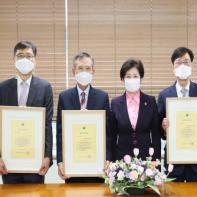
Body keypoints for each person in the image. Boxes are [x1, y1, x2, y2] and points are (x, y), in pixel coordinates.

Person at [0, 41, 53, 184]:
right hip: (8, 162)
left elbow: (47, 124)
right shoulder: (2, 88)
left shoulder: (45, 87)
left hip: (36, 161)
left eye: (29, 56)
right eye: (20, 56)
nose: (24, 60)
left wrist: (48, 156)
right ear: (14, 60)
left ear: (35, 60)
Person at [158, 47, 197, 182]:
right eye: (178, 62)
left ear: (191, 66)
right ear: (173, 67)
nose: (183, 66)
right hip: (174, 162)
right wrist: (164, 128)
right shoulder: (164, 95)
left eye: (186, 62)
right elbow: (158, 129)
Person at [56, 52, 111, 183]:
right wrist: (60, 161)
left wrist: (107, 158)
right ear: (73, 71)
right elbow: (60, 132)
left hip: (96, 165)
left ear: (93, 71)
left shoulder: (102, 97)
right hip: (72, 165)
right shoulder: (64, 97)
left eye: (88, 68)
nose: (84, 72)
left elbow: (107, 132)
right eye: (80, 68)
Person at [110, 58, 161, 161]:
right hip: (122, 161)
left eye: (135, 76)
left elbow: (156, 135)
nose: (132, 79)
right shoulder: (115, 103)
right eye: (128, 76)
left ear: (141, 78)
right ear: (122, 79)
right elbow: (112, 136)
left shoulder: (150, 101)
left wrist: (156, 160)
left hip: (146, 160)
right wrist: (112, 161)